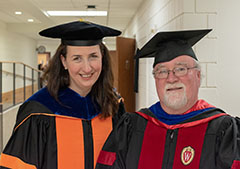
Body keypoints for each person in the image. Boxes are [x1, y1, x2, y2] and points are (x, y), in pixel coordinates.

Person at [95, 29, 240, 169]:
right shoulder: (131, 128)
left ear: (198, 75)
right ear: (155, 79)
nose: (171, 78)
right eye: (162, 71)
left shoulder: (224, 131)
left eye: (181, 69)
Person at [0, 20, 125, 169]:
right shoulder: (39, 111)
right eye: (77, 58)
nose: (87, 67)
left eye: (93, 56)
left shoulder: (114, 105)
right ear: (64, 61)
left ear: (102, 58)